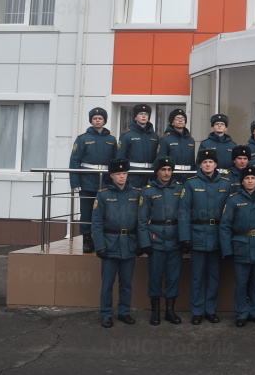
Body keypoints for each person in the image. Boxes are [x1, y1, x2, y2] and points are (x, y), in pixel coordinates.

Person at [178, 148, 231, 325]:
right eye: (204, 162)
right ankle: (197, 310)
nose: (207, 164)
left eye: (211, 162)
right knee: (197, 276)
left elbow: (231, 213)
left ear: (216, 164)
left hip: (217, 235)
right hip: (197, 234)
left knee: (214, 275)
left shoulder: (226, 183)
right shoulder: (191, 184)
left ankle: (210, 310)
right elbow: (184, 212)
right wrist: (185, 237)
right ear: (200, 165)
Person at [221, 166, 255, 327]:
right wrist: (227, 249)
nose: (250, 181)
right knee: (242, 283)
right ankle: (241, 314)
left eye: (253, 178)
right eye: (247, 178)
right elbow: (225, 226)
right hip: (241, 246)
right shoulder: (233, 200)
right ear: (242, 181)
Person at [92, 158, 142, 328]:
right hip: (110, 244)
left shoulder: (136, 193)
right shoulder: (103, 194)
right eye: (118, 174)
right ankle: (106, 314)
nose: (122, 177)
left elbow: (141, 221)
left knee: (126, 283)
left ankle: (124, 312)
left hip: (129, 243)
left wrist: (141, 243)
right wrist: (99, 246)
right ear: (111, 175)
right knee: (107, 284)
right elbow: (97, 223)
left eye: (124, 173)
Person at [138, 156, 183, 325]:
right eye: (163, 170)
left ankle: (170, 311)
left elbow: (185, 215)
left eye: (170, 170)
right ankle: (155, 311)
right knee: (155, 276)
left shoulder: (180, 189)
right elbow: (142, 220)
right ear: (157, 171)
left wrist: (185, 238)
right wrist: (145, 243)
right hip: (155, 239)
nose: (167, 173)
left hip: (175, 238)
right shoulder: (148, 191)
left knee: (173, 276)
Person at [69, 107, 116, 254]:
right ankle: (87, 240)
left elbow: (115, 162)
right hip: (87, 181)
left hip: (105, 181)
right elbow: (74, 161)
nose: (97, 120)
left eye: (100, 118)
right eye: (95, 118)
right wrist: (75, 183)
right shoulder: (83, 139)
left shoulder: (111, 139)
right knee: (86, 211)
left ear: (104, 121)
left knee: (105, 211)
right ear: (91, 120)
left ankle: (102, 239)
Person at [117, 104, 159, 189]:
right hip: (133, 175)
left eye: (146, 114)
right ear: (135, 117)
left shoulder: (155, 136)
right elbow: (120, 157)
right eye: (140, 114)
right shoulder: (127, 135)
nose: (144, 116)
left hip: (150, 175)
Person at [157, 108, 195, 182]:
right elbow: (160, 161)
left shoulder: (191, 140)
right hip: (172, 176)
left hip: (188, 176)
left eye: (182, 118)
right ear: (172, 122)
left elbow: (193, 161)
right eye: (177, 118)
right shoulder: (165, 139)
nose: (180, 120)